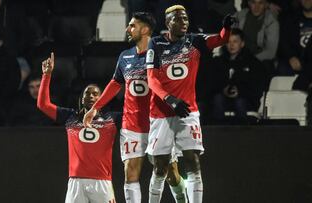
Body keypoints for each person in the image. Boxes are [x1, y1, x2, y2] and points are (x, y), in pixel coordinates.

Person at [83, 12, 187, 203]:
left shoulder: (163, 54)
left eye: (132, 25)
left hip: (158, 123)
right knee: (130, 173)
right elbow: (115, 84)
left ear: (145, 29)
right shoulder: (125, 56)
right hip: (131, 126)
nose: (127, 29)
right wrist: (95, 108)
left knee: (170, 173)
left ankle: (183, 197)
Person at [145, 5, 234, 203]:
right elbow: (151, 79)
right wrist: (170, 99)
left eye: (185, 19)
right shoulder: (156, 43)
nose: (184, 22)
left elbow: (221, 39)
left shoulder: (195, 41)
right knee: (160, 167)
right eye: (178, 19)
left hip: (188, 111)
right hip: (161, 113)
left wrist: (226, 28)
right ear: (168, 23)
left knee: (193, 162)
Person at [37, 53, 118, 203]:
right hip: (76, 182)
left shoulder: (111, 118)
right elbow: (43, 105)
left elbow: (136, 114)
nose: (91, 96)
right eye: (87, 93)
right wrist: (46, 75)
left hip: (102, 182)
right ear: (81, 99)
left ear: (102, 99)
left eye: (95, 94)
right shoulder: (70, 117)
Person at [211, 28, 265, 124]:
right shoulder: (219, 61)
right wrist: (224, 89)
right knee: (217, 100)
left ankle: (243, 136)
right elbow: (213, 83)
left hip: (247, 99)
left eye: (235, 41)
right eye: (228, 42)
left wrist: (239, 91)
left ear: (242, 43)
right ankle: (218, 135)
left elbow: (256, 86)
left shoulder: (253, 63)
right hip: (224, 98)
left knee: (240, 102)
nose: (231, 45)